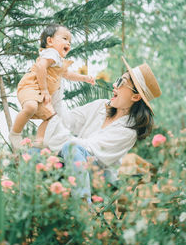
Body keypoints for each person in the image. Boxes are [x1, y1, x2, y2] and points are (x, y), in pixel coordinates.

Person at [43, 56, 162, 203]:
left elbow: (89, 148)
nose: (114, 85)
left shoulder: (128, 131)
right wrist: (56, 85)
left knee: (72, 148)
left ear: (136, 97)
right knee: (34, 153)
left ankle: (84, 211)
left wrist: (56, 138)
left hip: (99, 180)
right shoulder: (101, 106)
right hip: (73, 166)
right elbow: (67, 121)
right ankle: (29, 218)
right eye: (118, 79)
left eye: (121, 82)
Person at [9, 23, 95, 150]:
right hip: (31, 86)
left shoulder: (58, 60)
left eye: (70, 41)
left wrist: (83, 78)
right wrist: (44, 90)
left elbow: (67, 74)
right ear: (50, 41)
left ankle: (39, 141)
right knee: (31, 107)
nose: (69, 43)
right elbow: (40, 66)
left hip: (41, 94)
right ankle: (15, 133)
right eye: (65, 39)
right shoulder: (52, 53)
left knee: (50, 118)